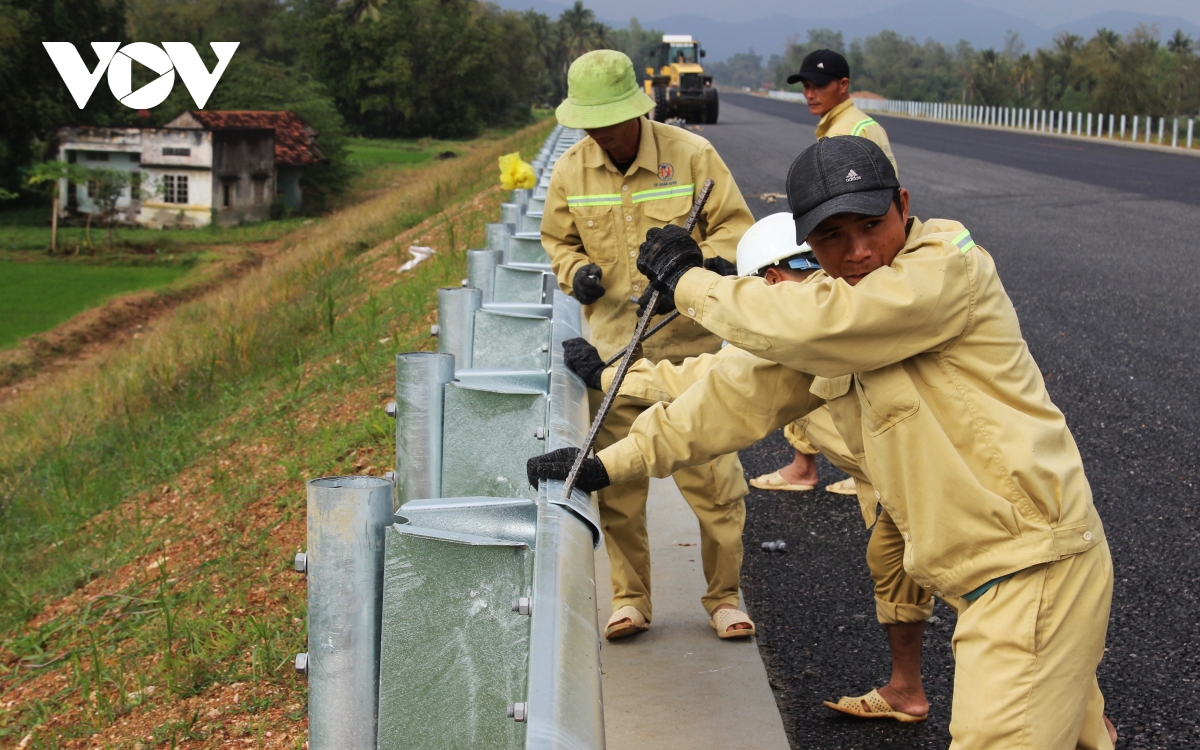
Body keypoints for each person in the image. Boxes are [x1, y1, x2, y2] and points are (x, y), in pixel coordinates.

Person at [531, 136, 1117, 749]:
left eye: (871, 224)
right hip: (990, 575)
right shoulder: (826, 331)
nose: (859, 250)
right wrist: (602, 463)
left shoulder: (946, 263)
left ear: (904, 205)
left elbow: (819, 320)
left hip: (1030, 569)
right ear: (809, 243)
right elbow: (721, 402)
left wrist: (689, 283)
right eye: (832, 237)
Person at [561, 211, 933, 722]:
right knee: (896, 571)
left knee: (995, 613)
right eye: (810, 261)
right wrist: (609, 378)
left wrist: (603, 455)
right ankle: (906, 691)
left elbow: (708, 395)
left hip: (944, 487)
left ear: (770, 280)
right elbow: (707, 382)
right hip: (893, 488)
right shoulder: (792, 339)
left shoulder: (831, 321)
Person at [541, 49, 758, 640]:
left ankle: (724, 597)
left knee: (715, 484)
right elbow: (558, 243)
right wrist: (576, 271)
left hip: (695, 354)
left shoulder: (692, 157)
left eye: (611, 118)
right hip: (616, 356)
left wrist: (698, 272)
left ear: (637, 109)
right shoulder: (571, 172)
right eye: (592, 122)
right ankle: (630, 598)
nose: (603, 132)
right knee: (617, 487)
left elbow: (739, 234)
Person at [752, 48, 899, 494]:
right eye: (806, 87)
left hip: (863, 266)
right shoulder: (834, 126)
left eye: (819, 85)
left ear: (844, 86)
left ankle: (869, 463)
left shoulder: (859, 130)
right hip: (844, 260)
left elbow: (874, 204)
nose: (811, 94)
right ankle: (817, 463)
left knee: (837, 365)